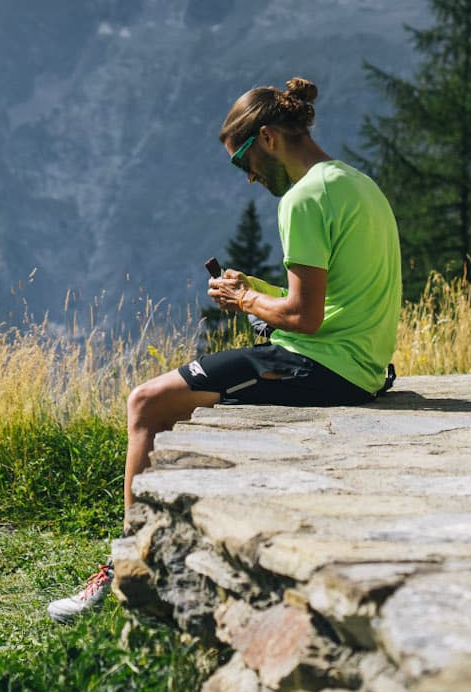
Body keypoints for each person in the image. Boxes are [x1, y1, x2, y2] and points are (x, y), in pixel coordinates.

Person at [47, 76, 402, 621]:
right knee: (169, 399)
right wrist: (256, 293)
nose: (250, 178)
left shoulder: (304, 198)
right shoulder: (356, 184)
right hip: (358, 363)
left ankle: (127, 570)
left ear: (266, 138)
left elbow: (304, 318)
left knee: (146, 403)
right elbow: (331, 301)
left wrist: (242, 299)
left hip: (319, 365)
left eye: (243, 163)